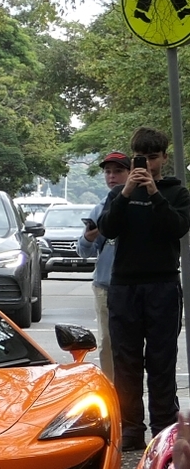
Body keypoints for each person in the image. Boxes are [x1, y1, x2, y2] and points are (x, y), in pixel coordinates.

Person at [94, 128, 190, 448]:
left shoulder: (177, 193)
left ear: (164, 157)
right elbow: (107, 228)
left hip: (162, 284)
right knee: (126, 361)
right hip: (124, 287)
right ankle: (131, 429)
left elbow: (176, 228)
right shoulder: (119, 193)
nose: (147, 164)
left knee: (162, 360)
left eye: (153, 157)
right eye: (141, 157)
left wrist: (154, 194)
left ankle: (163, 429)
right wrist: (126, 193)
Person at [85, 150, 128, 359]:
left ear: (131, 173)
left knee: (134, 342)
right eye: (108, 172)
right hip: (105, 285)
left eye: (118, 171)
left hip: (134, 284)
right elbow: (84, 250)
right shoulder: (100, 208)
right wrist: (89, 237)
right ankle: (111, 389)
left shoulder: (141, 203)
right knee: (107, 343)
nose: (112, 176)